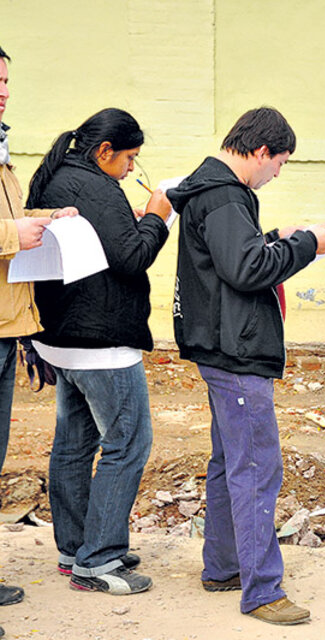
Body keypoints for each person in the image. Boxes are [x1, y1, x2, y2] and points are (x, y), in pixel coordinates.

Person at [168, 107, 325, 626]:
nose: (277, 173)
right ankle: (263, 590)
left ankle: (223, 566)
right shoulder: (223, 195)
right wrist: (307, 245)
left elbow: (229, 258)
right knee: (258, 468)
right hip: (236, 351)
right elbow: (245, 270)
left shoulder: (212, 190)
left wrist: (275, 236)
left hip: (219, 345)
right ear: (260, 152)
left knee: (230, 462)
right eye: (279, 162)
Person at [26, 108, 172, 595]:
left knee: (73, 444)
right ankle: (101, 560)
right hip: (101, 342)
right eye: (129, 158)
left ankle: (76, 548)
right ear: (104, 151)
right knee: (128, 442)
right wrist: (156, 215)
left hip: (59, 338)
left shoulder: (55, 177)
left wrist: (128, 223)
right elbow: (132, 257)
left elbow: (104, 242)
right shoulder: (97, 186)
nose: (132, 169)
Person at [0, 43, 77, 634]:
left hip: (7, 327)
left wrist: (42, 221)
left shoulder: (3, 153)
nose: (3, 91)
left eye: (6, 80)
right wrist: (11, 232)